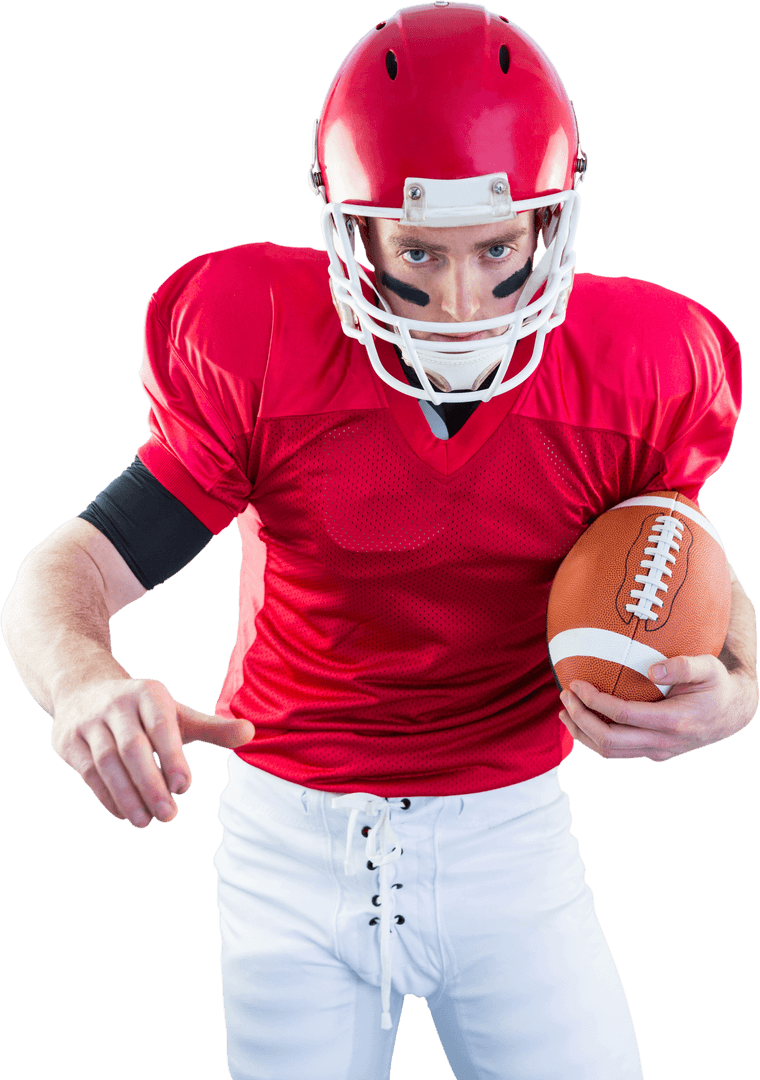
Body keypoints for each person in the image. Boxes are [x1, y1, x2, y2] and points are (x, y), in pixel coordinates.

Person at [2, 4, 757, 1079]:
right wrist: (82, 681)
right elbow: (65, 568)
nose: (459, 304)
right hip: (287, 845)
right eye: (418, 253)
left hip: (510, 842)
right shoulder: (265, 341)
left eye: (496, 247)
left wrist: (740, 682)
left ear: (551, 224)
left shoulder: (637, 367)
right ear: (351, 234)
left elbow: (682, 557)